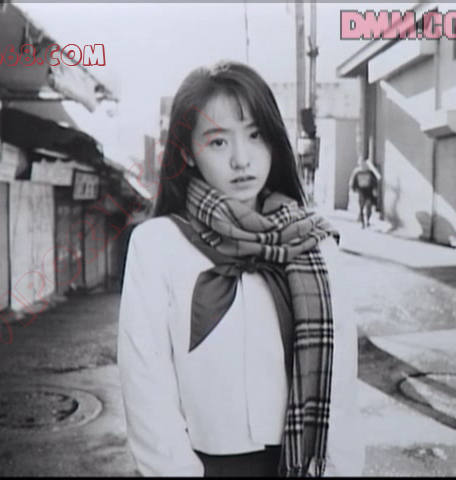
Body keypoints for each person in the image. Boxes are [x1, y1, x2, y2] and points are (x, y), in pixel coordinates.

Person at [118, 61, 363, 477]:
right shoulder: (157, 244)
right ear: (186, 152)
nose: (241, 159)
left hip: (302, 462)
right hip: (199, 466)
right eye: (218, 141)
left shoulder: (314, 242)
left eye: (255, 135)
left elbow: (339, 386)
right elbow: (145, 382)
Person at [348, 157, 380, 229]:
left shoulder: (370, 173)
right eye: (361, 164)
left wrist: (375, 189)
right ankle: (363, 222)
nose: (363, 165)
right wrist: (353, 189)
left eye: (364, 164)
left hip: (369, 190)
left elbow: (374, 182)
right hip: (361, 190)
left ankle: (368, 220)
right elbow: (353, 181)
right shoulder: (357, 172)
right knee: (361, 207)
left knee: (369, 205)